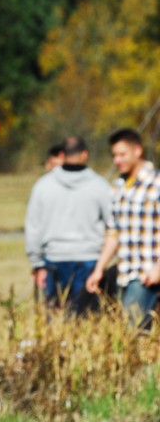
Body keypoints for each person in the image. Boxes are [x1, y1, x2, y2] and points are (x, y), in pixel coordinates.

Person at [24, 135, 111, 314]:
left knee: (56, 316)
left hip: (53, 260)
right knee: (86, 318)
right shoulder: (100, 185)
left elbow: (33, 227)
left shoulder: (43, 185)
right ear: (84, 154)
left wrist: (36, 262)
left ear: (62, 155)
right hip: (89, 260)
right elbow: (113, 226)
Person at [86, 128, 160, 326]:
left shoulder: (155, 183)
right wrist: (99, 269)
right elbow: (114, 234)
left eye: (122, 154)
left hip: (148, 272)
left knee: (131, 329)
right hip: (126, 272)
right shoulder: (118, 187)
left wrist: (158, 267)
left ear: (137, 151)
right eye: (114, 155)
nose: (117, 160)